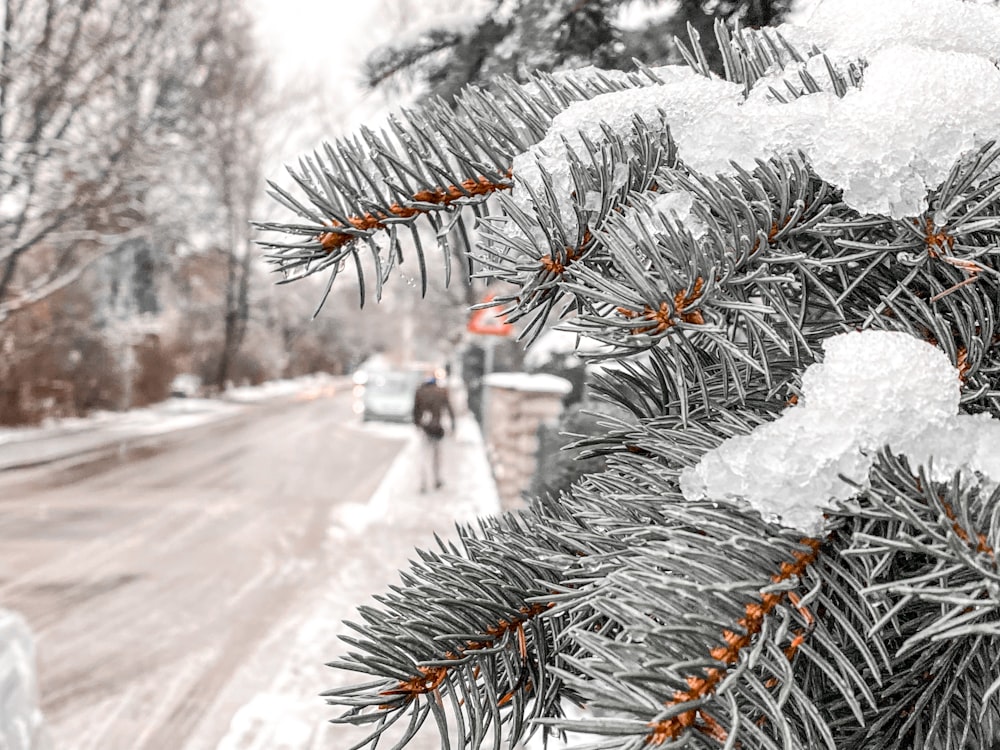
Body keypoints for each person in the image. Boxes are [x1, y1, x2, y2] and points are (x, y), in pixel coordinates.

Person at [412, 371, 455, 492]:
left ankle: (423, 482)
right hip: (438, 428)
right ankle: (436, 479)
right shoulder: (441, 392)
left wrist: (417, 424)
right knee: (437, 455)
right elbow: (449, 409)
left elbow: (415, 410)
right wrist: (453, 425)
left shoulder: (420, 392)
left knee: (424, 455)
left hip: (425, 428)